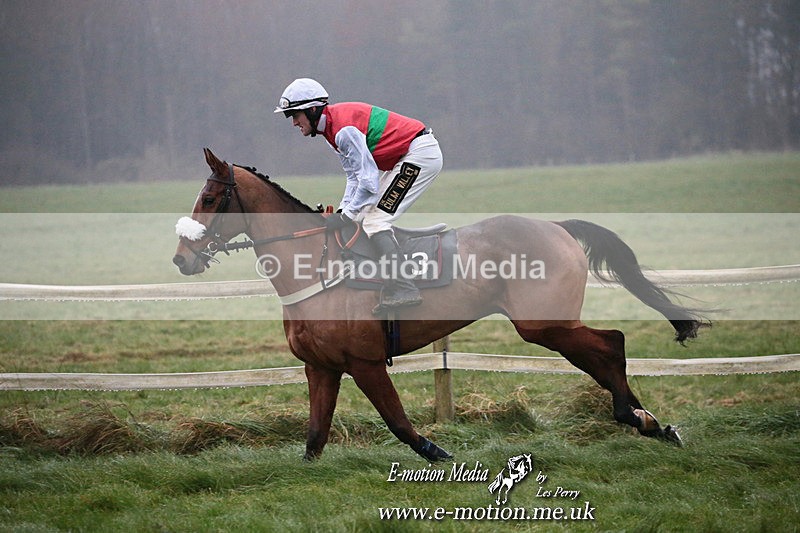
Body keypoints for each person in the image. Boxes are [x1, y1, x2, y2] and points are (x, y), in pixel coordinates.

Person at [275, 78, 443, 315]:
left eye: (294, 115)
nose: (293, 122)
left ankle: (405, 288)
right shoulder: (331, 131)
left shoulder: (343, 130)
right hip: (402, 157)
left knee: (375, 220)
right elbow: (354, 177)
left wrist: (348, 216)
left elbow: (368, 181)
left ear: (312, 110)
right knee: (363, 215)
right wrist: (345, 212)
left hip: (419, 155)